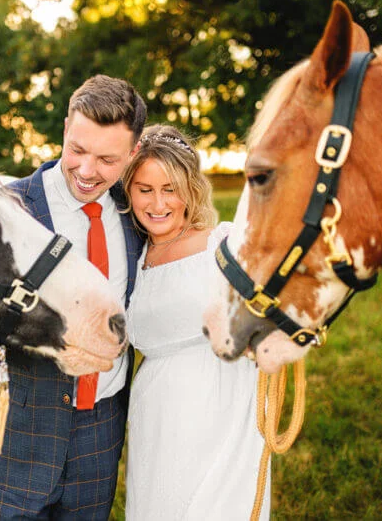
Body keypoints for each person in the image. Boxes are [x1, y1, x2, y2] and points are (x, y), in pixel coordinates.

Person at [0, 74, 147, 519]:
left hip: (100, 428)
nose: (85, 170)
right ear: (65, 128)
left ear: (134, 153)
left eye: (106, 159)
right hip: (17, 426)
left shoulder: (139, 214)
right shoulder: (4, 209)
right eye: (77, 149)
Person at [122, 124, 269, 520]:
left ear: (190, 189)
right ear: (129, 191)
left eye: (170, 188)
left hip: (219, 418)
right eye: (145, 189)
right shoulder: (135, 259)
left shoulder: (221, 246)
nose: (157, 203)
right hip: (156, 418)